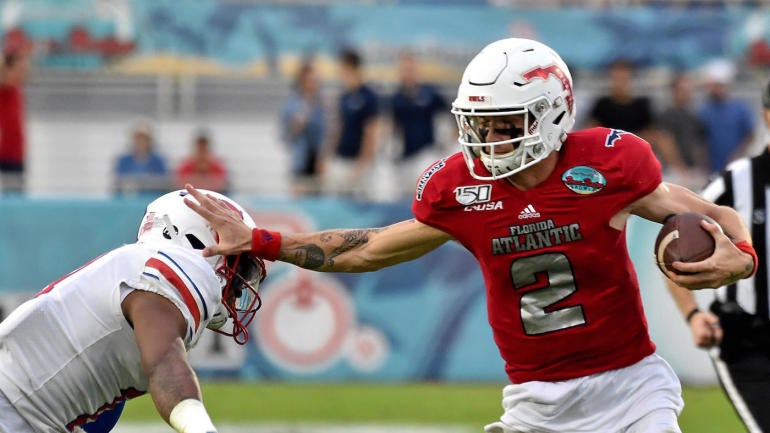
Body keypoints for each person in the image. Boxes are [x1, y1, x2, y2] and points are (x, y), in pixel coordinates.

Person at [183, 38, 757, 433]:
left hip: (631, 387)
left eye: (505, 125)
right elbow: (371, 249)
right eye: (479, 125)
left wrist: (743, 261)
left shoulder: (608, 167)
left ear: (553, 114)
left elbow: (717, 218)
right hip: (535, 401)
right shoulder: (462, 190)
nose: (487, 140)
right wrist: (263, 242)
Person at [0, 189, 267, 433]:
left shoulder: (135, 289)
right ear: (195, 239)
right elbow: (165, 363)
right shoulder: (182, 267)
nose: (240, 288)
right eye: (238, 264)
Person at [665, 79, 770, 433]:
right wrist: (693, 314)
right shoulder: (734, 182)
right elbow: (674, 246)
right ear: (766, 116)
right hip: (748, 344)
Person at [586, 58, 687, 177]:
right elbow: (590, 130)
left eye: (623, 78)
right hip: (609, 149)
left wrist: (628, 142)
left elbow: (654, 132)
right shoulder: (602, 104)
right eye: (616, 78)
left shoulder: (642, 104)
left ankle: (679, 172)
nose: (620, 82)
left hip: (635, 149)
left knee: (664, 137)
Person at [388, 50, 449, 198]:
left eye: (410, 69)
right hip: (405, 155)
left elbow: (448, 116)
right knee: (405, 194)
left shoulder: (430, 93)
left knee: (424, 191)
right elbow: (394, 126)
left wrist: (445, 143)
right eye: (404, 70)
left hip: (426, 153)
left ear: (417, 70)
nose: (407, 73)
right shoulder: (396, 97)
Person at [322, 48, 380, 199]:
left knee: (361, 202)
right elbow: (340, 128)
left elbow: (371, 132)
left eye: (343, 68)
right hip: (342, 159)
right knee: (336, 199)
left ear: (351, 68)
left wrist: (362, 162)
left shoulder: (369, 97)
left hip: (358, 161)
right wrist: (329, 155)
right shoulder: (344, 97)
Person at [697, 58, 755, 174]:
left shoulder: (740, 109)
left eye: (718, 85)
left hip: (737, 167)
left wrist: (738, 155)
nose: (715, 89)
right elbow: (701, 140)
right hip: (713, 169)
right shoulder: (704, 110)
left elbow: (749, 135)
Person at [280, 61, 326, 196]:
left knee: (318, 199)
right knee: (300, 195)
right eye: (309, 80)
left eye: (315, 81)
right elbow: (285, 136)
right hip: (300, 161)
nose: (313, 84)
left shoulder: (321, 104)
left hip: (317, 162)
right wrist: (296, 126)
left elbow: (326, 133)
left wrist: (323, 158)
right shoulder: (292, 104)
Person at [656, 73, 708, 189]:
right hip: (675, 171)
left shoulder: (692, 115)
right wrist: (680, 168)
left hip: (692, 170)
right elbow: (665, 142)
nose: (686, 93)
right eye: (682, 90)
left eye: (688, 90)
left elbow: (696, 144)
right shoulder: (667, 114)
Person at [0, 50, 31, 194]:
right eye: (21, 68)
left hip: (17, 155)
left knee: (16, 197)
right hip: (5, 155)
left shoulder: (17, 89)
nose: (24, 72)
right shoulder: (4, 88)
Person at [114, 123, 170, 196]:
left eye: (144, 139)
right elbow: (118, 182)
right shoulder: (124, 160)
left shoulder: (158, 160)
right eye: (138, 138)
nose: (141, 142)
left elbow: (164, 182)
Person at [174, 129, 228, 194]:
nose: (201, 150)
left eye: (203, 147)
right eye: (200, 147)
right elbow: (180, 183)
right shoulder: (186, 164)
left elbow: (221, 184)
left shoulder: (217, 164)